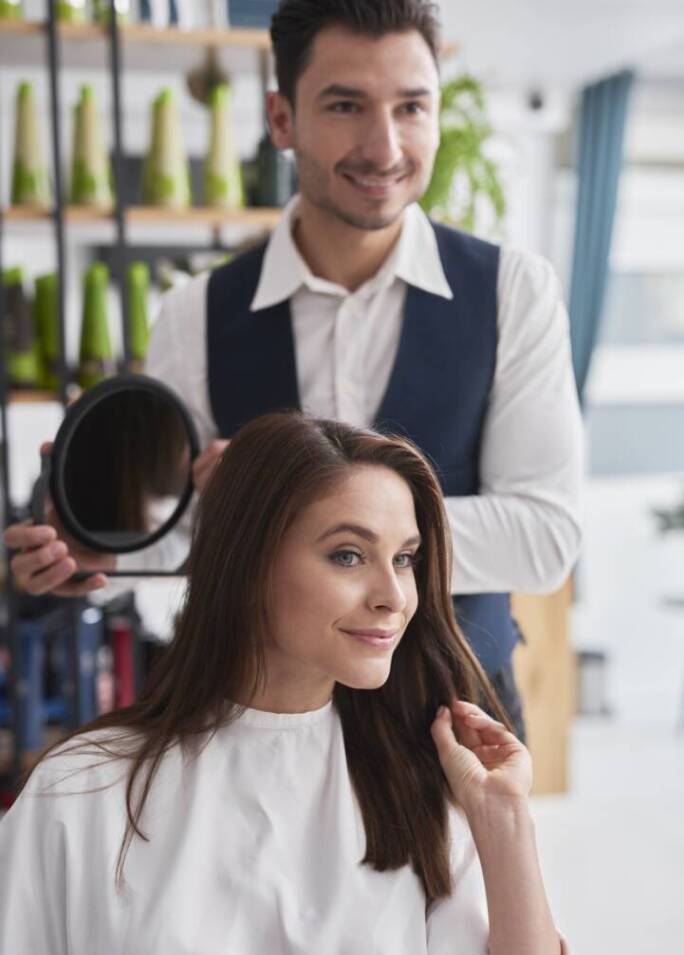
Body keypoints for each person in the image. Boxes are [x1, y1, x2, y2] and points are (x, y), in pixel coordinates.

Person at [4, 0, 584, 741]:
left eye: (412, 107)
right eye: (346, 105)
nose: (385, 147)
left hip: (455, 723)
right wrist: (106, 546)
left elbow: (542, 537)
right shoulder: (196, 312)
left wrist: (299, 507)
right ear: (282, 120)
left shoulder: (514, 292)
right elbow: (187, 533)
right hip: (249, 720)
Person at [0, 413, 580, 955]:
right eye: (349, 555)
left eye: (405, 558)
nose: (393, 595)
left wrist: (504, 821)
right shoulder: (81, 791)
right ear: (247, 563)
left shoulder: (419, 791)